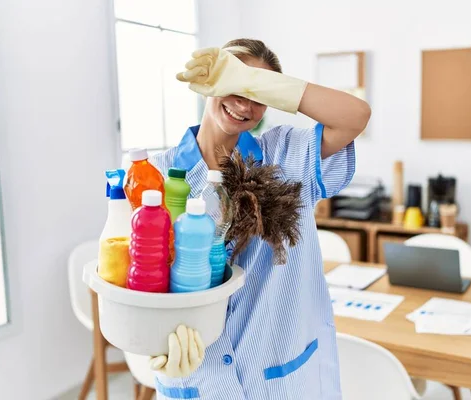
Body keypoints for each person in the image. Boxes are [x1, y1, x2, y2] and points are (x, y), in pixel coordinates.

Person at [149, 38, 371, 400]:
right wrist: (149, 344)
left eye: (257, 92)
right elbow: (137, 282)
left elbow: (355, 116)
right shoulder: (158, 174)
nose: (243, 103)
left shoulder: (285, 157)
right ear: (211, 84)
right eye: (233, 85)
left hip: (280, 377)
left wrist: (257, 82)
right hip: (198, 380)